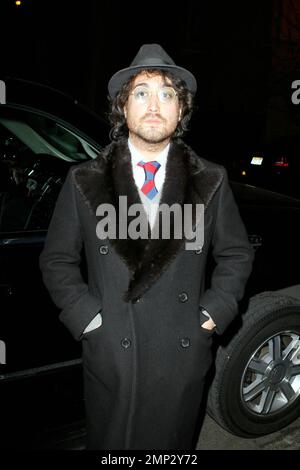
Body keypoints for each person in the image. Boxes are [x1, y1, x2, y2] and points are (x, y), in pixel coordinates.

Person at [39, 44, 254, 450]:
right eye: (141, 92)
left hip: (182, 352)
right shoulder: (85, 180)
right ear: (123, 107)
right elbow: (57, 260)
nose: (154, 105)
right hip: (112, 353)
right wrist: (87, 319)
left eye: (167, 94)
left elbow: (236, 254)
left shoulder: (211, 179)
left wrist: (213, 313)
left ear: (180, 110)